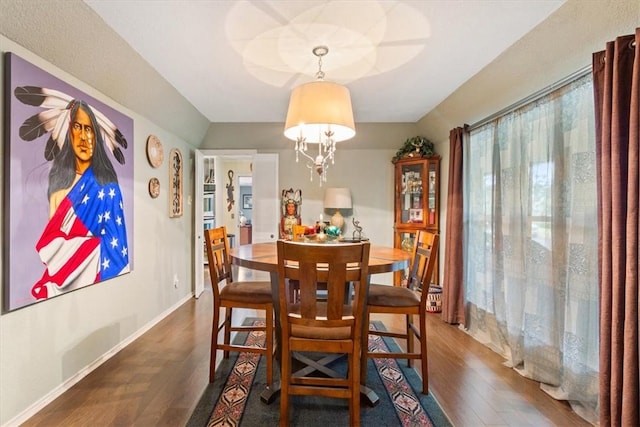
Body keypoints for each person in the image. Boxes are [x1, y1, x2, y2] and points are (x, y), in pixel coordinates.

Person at [30, 100, 130, 300]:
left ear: (96, 136)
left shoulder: (108, 186)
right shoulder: (59, 188)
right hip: (62, 286)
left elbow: (115, 246)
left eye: (90, 129)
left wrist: (80, 250)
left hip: (100, 284)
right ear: (70, 129)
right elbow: (53, 246)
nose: (84, 136)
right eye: (78, 126)